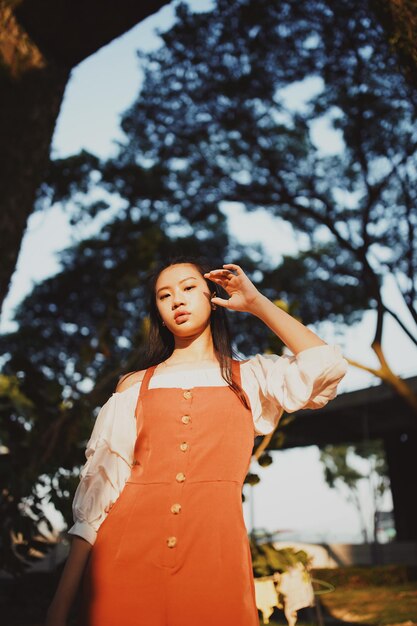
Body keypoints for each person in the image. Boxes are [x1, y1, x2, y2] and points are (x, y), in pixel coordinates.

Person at [45, 258, 348, 626]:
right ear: (157, 311)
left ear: (213, 296)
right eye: (164, 295)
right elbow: (97, 495)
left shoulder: (251, 377)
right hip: (125, 558)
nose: (177, 300)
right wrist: (59, 607)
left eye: (189, 288)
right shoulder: (134, 386)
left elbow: (325, 367)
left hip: (215, 557)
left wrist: (255, 303)